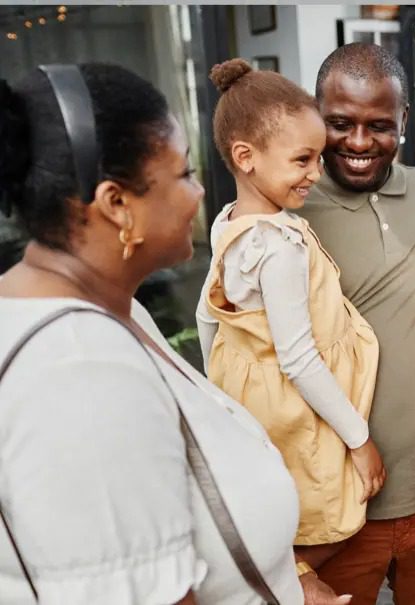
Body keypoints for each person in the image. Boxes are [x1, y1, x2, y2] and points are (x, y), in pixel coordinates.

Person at [0, 63, 302, 603]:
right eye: (183, 173)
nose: (198, 191)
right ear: (117, 203)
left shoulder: (112, 314)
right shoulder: (79, 372)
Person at [195, 58, 383, 605]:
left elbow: (210, 313)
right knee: (329, 508)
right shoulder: (278, 246)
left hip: (255, 396)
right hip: (297, 406)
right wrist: (360, 439)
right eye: (302, 160)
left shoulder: (230, 221)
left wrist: (220, 389)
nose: (315, 174)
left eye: (317, 158)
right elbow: (298, 357)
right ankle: (295, 579)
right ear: (245, 158)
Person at [296, 42, 415, 605]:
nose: (359, 143)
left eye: (380, 125)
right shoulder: (287, 214)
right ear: (314, 116)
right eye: (339, 124)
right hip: (337, 513)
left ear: (404, 120)